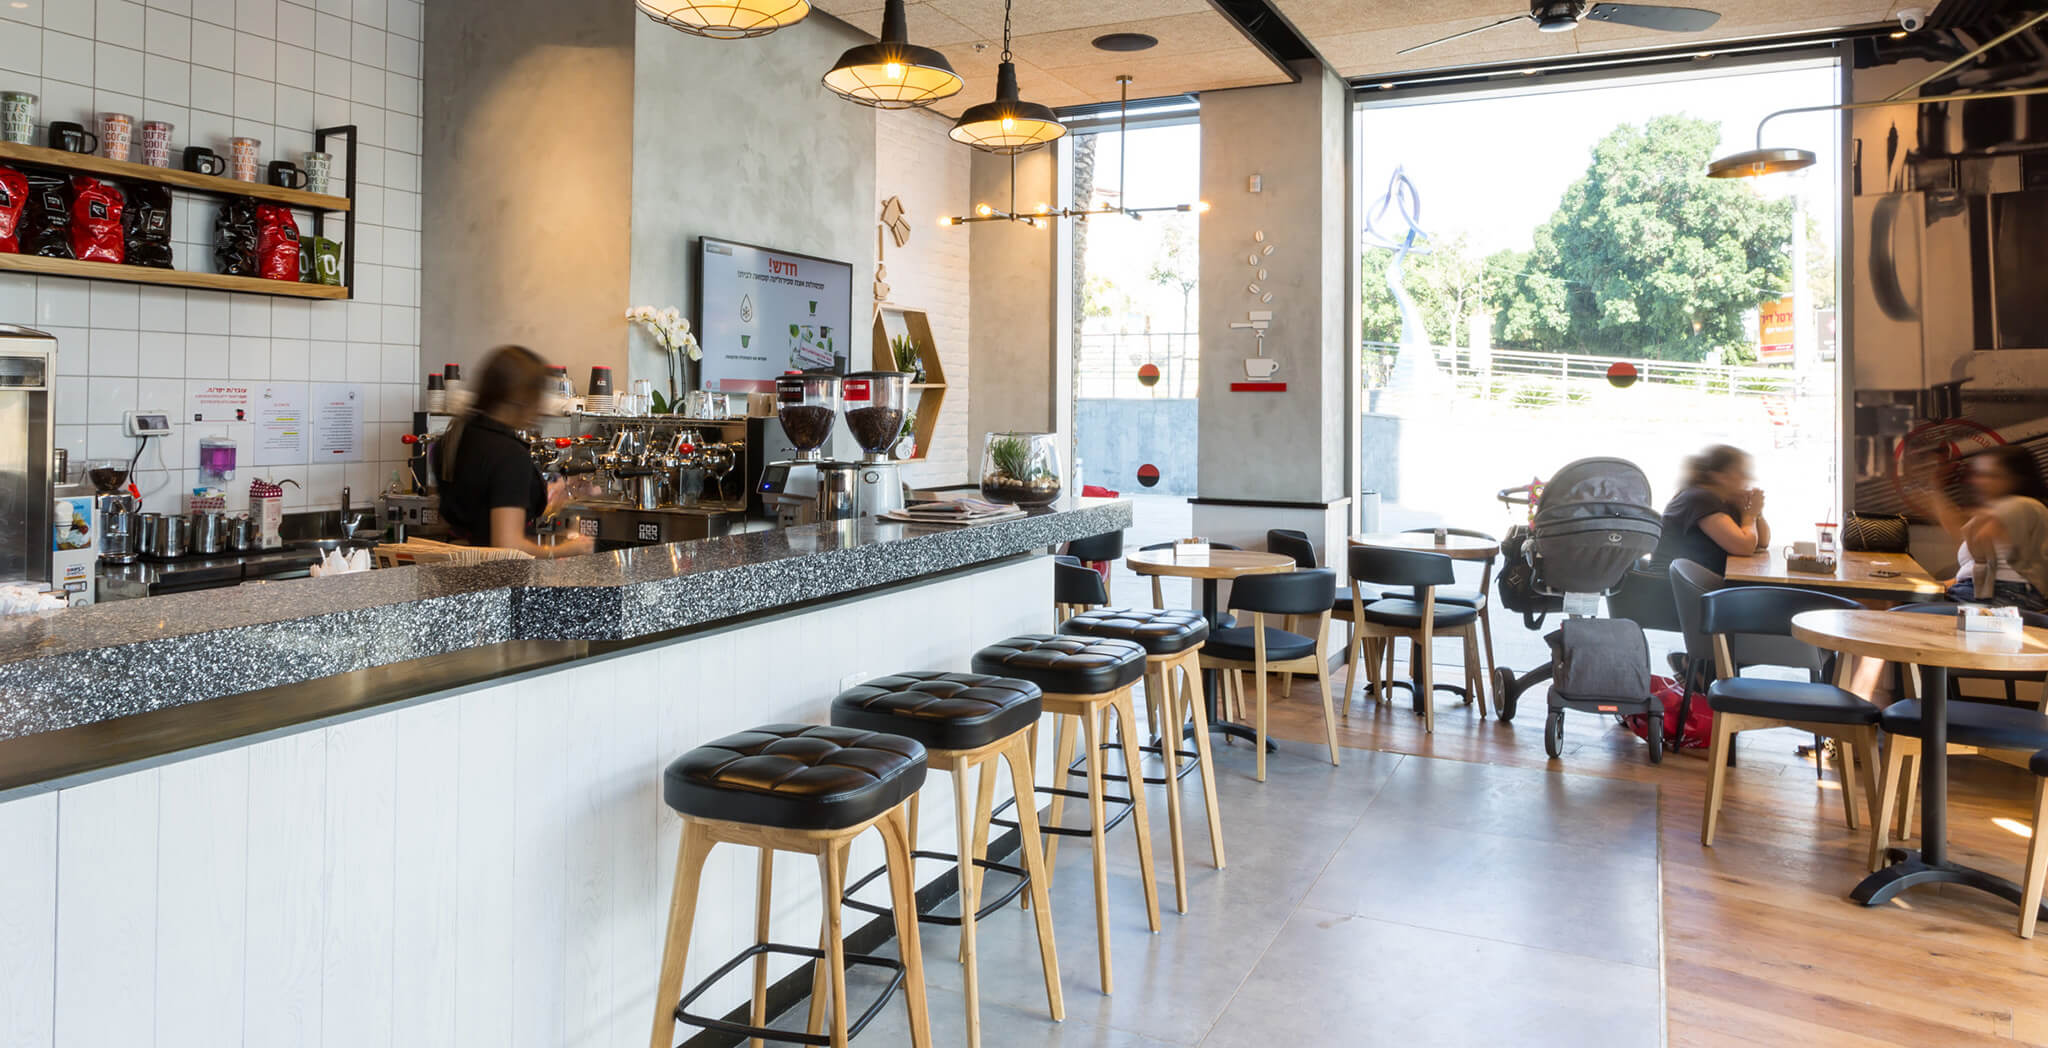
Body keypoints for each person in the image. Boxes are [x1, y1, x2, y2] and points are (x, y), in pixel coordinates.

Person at [437, 345, 594, 558]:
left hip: (455, 577)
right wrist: (567, 549)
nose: (540, 410)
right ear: (521, 399)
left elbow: (477, 512)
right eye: (538, 397)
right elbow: (506, 545)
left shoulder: (452, 439)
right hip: (497, 583)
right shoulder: (509, 455)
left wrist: (544, 504)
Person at [1913, 446, 2048, 611]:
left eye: (1990, 476)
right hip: (1987, 593)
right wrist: (1935, 587)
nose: (1977, 481)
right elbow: (1976, 570)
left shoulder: (2024, 505)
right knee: (1897, 603)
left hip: (2007, 596)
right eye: (1977, 474)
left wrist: (1933, 488)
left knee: (1898, 618)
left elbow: (1964, 530)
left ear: (2016, 479)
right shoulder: (1998, 510)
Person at [1652, 444, 1770, 575]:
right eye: (1742, 473)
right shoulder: (1700, 498)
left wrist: (1756, 511)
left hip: (1697, 580)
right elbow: (1744, 547)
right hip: (1674, 585)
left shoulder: (1725, 500)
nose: (1748, 479)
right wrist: (1750, 515)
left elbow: (1762, 543)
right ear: (1720, 476)